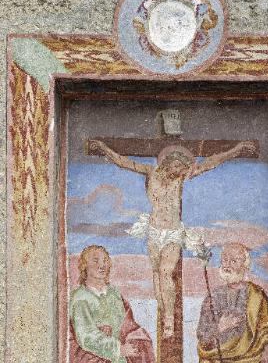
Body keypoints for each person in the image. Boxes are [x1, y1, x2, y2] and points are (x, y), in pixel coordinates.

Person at [89, 139, 257, 338]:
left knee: (165, 272)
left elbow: (210, 162)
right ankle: (162, 310)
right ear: (168, 162)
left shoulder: (181, 177)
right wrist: (104, 148)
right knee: (156, 274)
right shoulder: (150, 172)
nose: (179, 171)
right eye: (177, 166)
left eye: (183, 168)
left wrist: (235, 149)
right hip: (154, 230)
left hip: (172, 232)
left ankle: (169, 318)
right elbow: (123, 162)